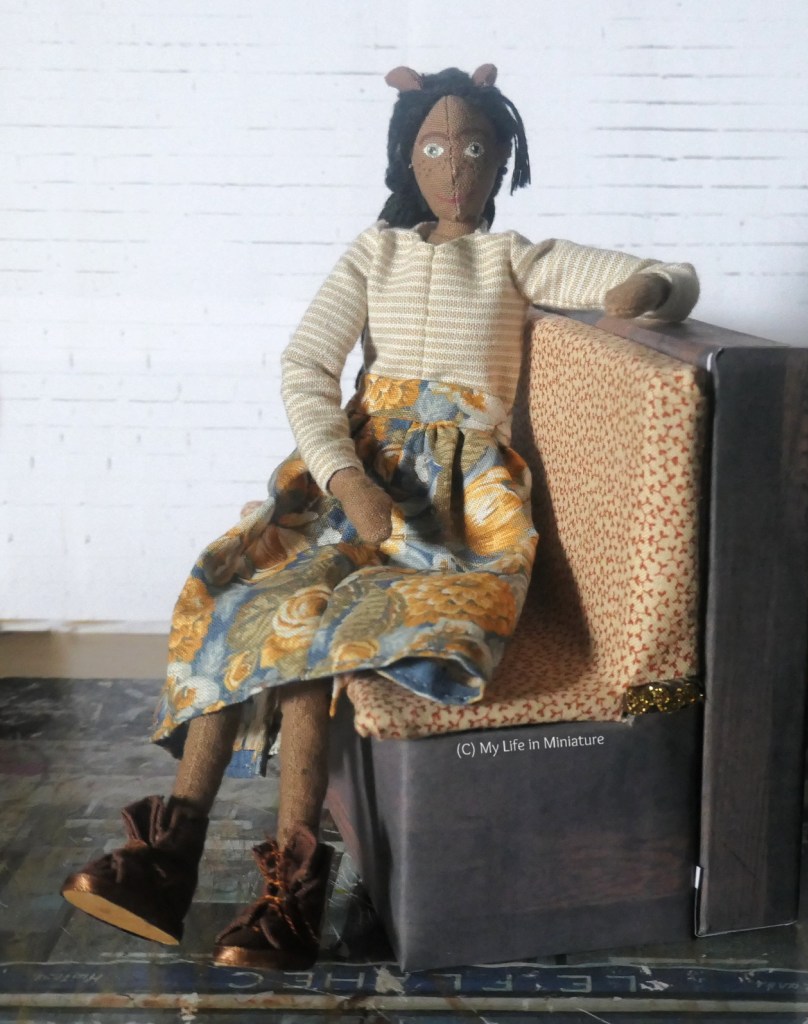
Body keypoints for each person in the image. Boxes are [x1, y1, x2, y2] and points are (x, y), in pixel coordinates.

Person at [61, 64, 700, 970]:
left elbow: (660, 272)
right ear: (407, 153)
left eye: (476, 147)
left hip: (455, 512)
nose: (454, 165)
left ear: (501, 158)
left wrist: (648, 294)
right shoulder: (374, 253)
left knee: (318, 639)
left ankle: (265, 892)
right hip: (350, 481)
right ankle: (181, 855)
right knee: (247, 601)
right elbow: (303, 366)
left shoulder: (514, 255)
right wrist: (344, 476)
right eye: (434, 145)